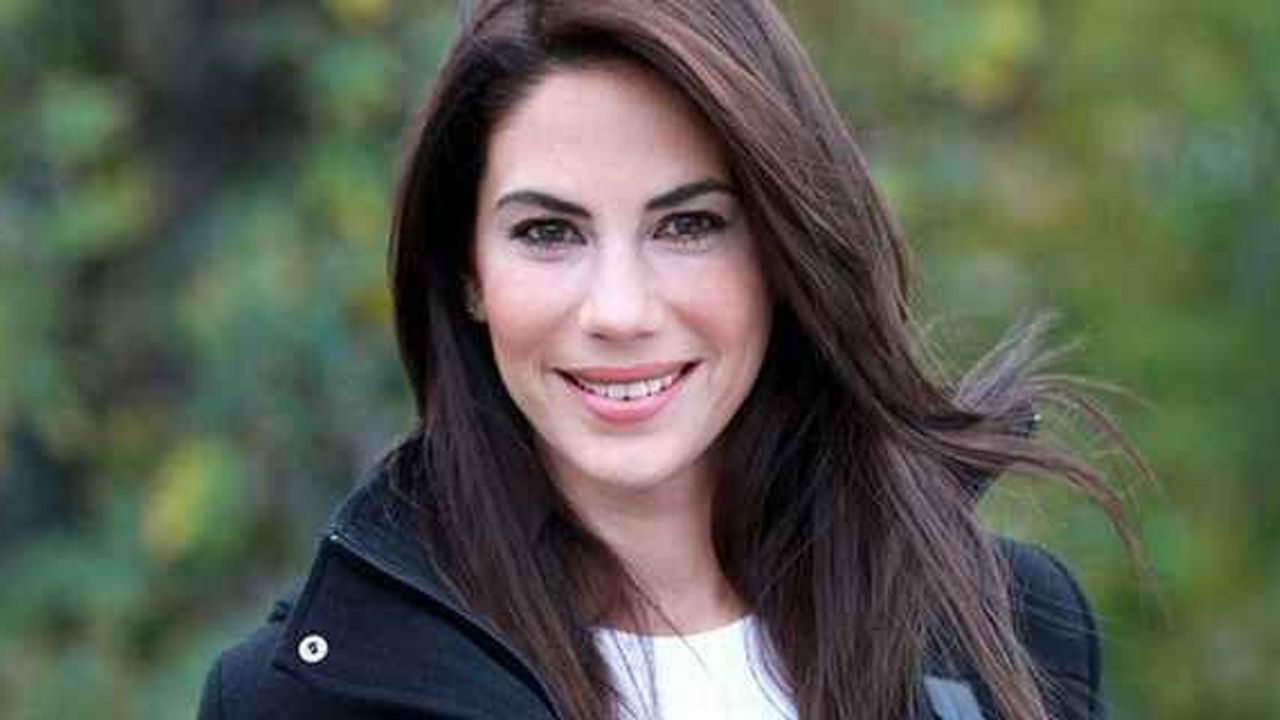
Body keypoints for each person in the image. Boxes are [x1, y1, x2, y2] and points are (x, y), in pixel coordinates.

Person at [199, 1, 1135, 718]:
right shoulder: (303, 700)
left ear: (783, 253)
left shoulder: (1005, 626)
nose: (619, 311)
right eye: (549, 232)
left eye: (689, 225)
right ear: (468, 271)